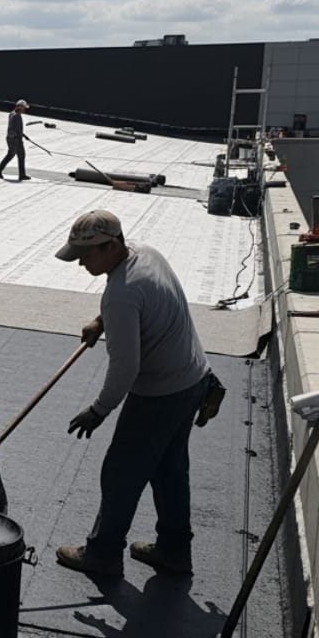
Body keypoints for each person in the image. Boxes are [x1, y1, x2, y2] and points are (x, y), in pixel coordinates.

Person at [53, 210, 221, 578]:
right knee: (169, 470)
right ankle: (175, 551)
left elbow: (125, 369)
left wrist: (97, 411)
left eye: (87, 255)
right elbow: (137, 303)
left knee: (120, 471)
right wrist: (101, 322)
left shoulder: (121, 295)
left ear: (112, 245)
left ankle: (102, 552)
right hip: (193, 379)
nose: (81, 263)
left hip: (161, 393)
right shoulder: (144, 253)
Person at [0, 99, 31, 181]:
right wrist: (20, 137)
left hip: (10, 138)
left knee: (10, 155)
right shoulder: (16, 115)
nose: (24, 109)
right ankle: (22, 175)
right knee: (21, 155)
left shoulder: (12, 113)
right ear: (20, 106)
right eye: (24, 107)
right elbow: (15, 129)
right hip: (15, 139)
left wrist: (24, 135)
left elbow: (15, 128)